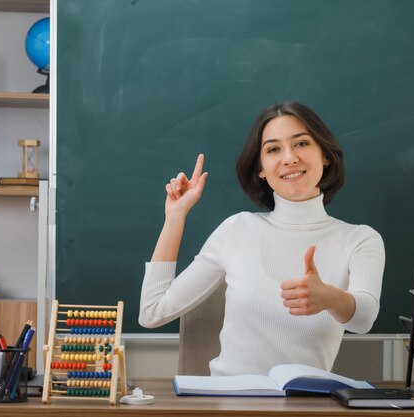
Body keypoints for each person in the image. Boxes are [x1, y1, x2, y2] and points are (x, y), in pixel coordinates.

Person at [139, 101, 385, 376]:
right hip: (228, 404)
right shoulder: (237, 229)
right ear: (261, 169)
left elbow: (363, 319)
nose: (289, 158)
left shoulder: (360, 239)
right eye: (273, 149)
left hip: (307, 406)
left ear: (325, 155)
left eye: (301, 144)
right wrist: (175, 217)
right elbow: (152, 312)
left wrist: (330, 298)